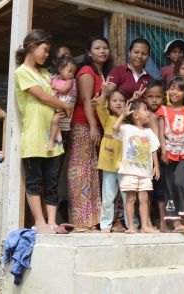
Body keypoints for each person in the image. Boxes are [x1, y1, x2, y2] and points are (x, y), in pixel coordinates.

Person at [14, 29, 73, 233]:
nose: (47, 54)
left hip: (53, 137)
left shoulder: (46, 74)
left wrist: (61, 108)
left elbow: (56, 95)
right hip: (33, 136)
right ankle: (40, 223)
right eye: (45, 49)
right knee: (34, 181)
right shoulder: (22, 72)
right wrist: (65, 106)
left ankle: (51, 222)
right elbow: (43, 97)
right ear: (32, 47)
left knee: (52, 181)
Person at [68, 36, 112, 229]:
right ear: (89, 52)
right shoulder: (86, 71)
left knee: (94, 170)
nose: (102, 51)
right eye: (97, 48)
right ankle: (81, 220)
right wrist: (93, 126)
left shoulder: (102, 73)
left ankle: (93, 219)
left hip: (97, 125)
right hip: (83, 125)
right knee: (82, 170)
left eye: (105, 48)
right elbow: (86, 101)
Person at [158, 76, 184, 233]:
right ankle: (176, 223)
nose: (174, 92)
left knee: (180, 182)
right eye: (172, 88)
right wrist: (163, 151)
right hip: (169, 151)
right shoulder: (163, 110)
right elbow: (162, 132)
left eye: (179, 89)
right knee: (169, 186)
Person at [113, 99, 160, 233]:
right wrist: (122, 115)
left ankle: (145, 226)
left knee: (144, 199)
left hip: (145, 172)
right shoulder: (127, 128)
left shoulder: (149, 132)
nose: (148, 113)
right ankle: (131, 226)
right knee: (131, 198)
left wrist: (156, 166)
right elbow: (115, 128)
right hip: (129, 171)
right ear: (135, 114)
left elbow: (153, 150)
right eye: (145, 109)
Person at [97, 90, 130, 232]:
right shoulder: (107, 118)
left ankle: (131, 223)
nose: (118, 103)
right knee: (108, 196)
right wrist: (104, 93)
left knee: (127, 195)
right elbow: (99, 106)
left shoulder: (129, 121)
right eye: (114, 100)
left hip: (125, 164)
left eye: (121, 100)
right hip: (109, 162)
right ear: (109, 104)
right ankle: (105, 224)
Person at [143, 80, 169, 231]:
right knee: (147, 191)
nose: (154, 100)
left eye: (158, 96)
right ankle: (148, 220)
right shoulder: (143, 113)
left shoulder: (165, 112)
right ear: (145, 98)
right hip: (146, 159)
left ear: (163, 97)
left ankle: (163, 220)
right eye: (150, 96)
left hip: (161, 157)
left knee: (161, 191)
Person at [47, 56, 78, 152]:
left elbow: (65, 90)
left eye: (73, 72)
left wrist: (53, 86)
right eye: (70, 71)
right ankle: (57, 137)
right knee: (51, 120)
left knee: (55, 120)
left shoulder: (69, 81)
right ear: (60, 69)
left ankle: (51, 142)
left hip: (62, 105)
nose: (72, 74)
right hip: (54, 104)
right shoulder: (54, 78)